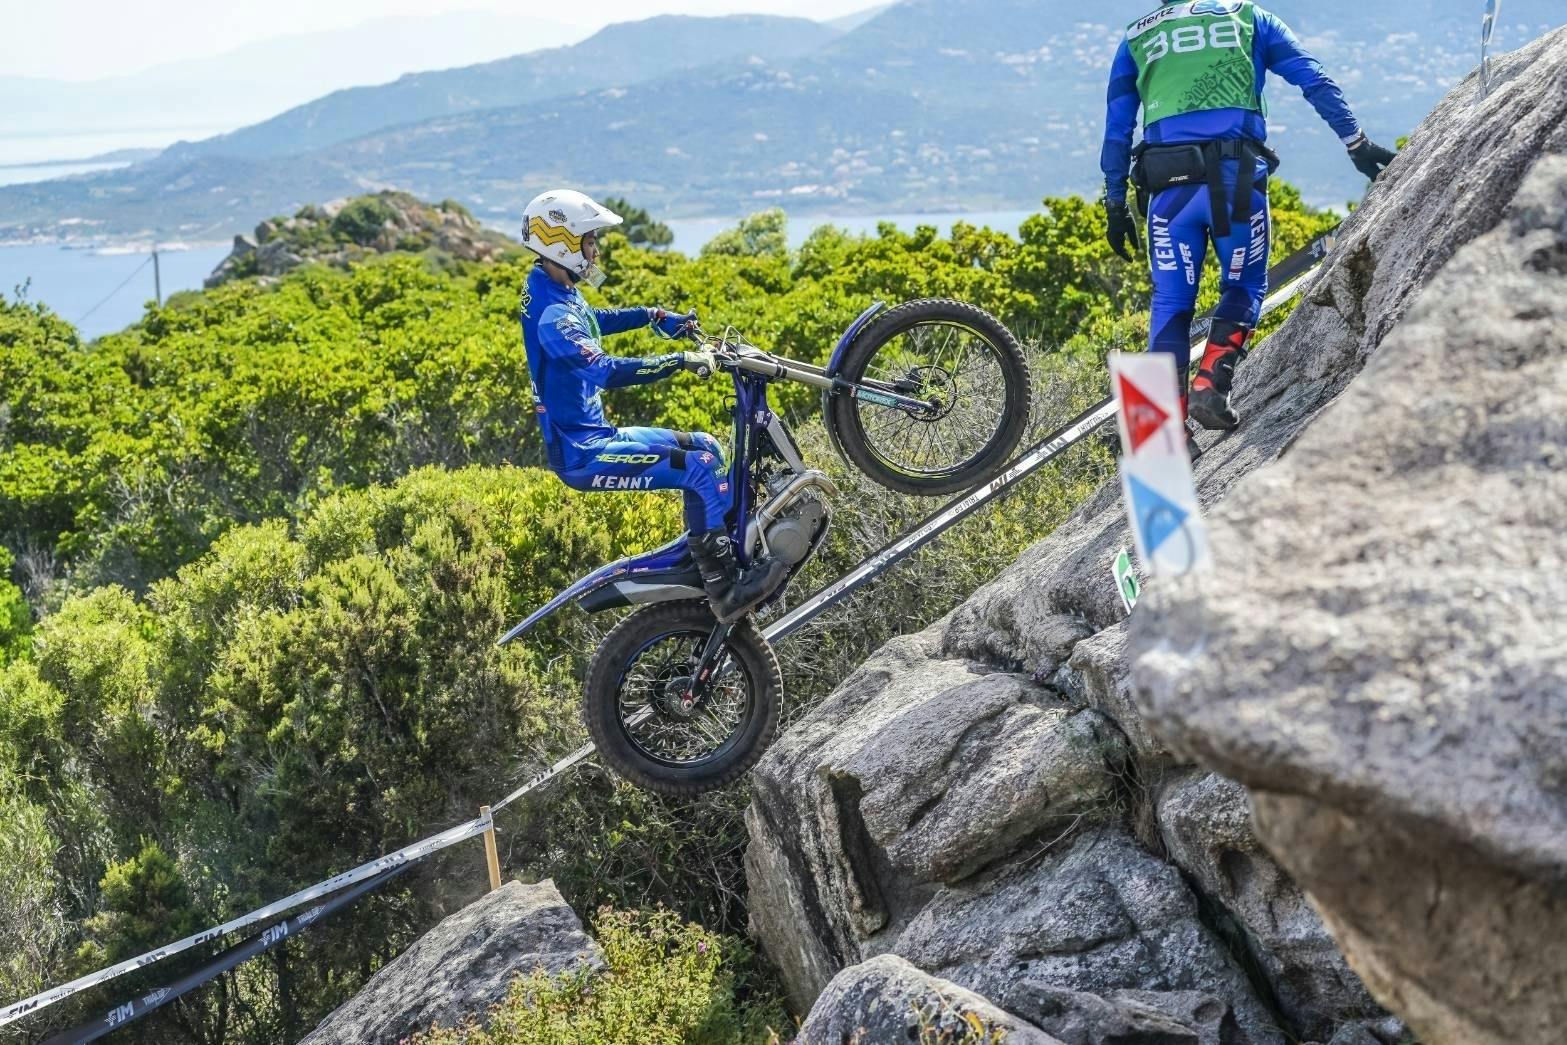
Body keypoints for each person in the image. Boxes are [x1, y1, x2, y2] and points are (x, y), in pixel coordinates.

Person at [1100, 0, 1397, 432]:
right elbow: (1314, 79)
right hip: (1235, 183)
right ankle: (1210, 384)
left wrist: (1114, 202)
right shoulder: (1249, 16)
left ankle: (1164, 432)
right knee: (1244, 284)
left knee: (1170, 304)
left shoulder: (1136, 37)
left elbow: (1116, 130)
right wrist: (1357, 143)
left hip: (1169, 193)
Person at [518, 189, 786, 623]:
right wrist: (679, 361)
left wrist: (652, 316)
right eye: (589, 240)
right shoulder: (554, 317)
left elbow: (593, 321)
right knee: (698, 466)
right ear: (562, 243)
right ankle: (725, 590)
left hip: (597, 435)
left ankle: (714, 554)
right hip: (583, 454)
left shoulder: (552, 287)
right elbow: (605, 371)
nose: (595, 250)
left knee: (707, 447)